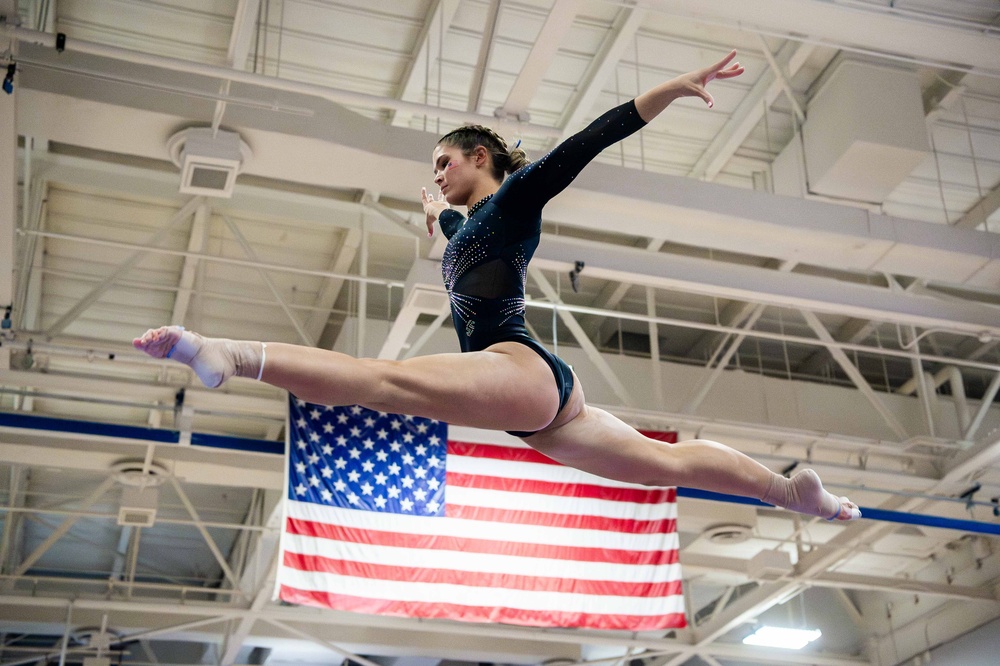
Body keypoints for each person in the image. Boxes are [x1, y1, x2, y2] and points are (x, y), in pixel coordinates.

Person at [134, 50, 860, 522]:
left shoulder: (515, 200)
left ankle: (226, 353)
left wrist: (668, 90)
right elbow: (460, 247)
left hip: (518, 367)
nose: (438, 173)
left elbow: (587, 142)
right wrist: (434, 217)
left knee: (378, 382)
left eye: (444, 161)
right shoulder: (468, 225)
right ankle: (791, 492)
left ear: (479, 155)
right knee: (660, 467)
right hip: (542, 405)